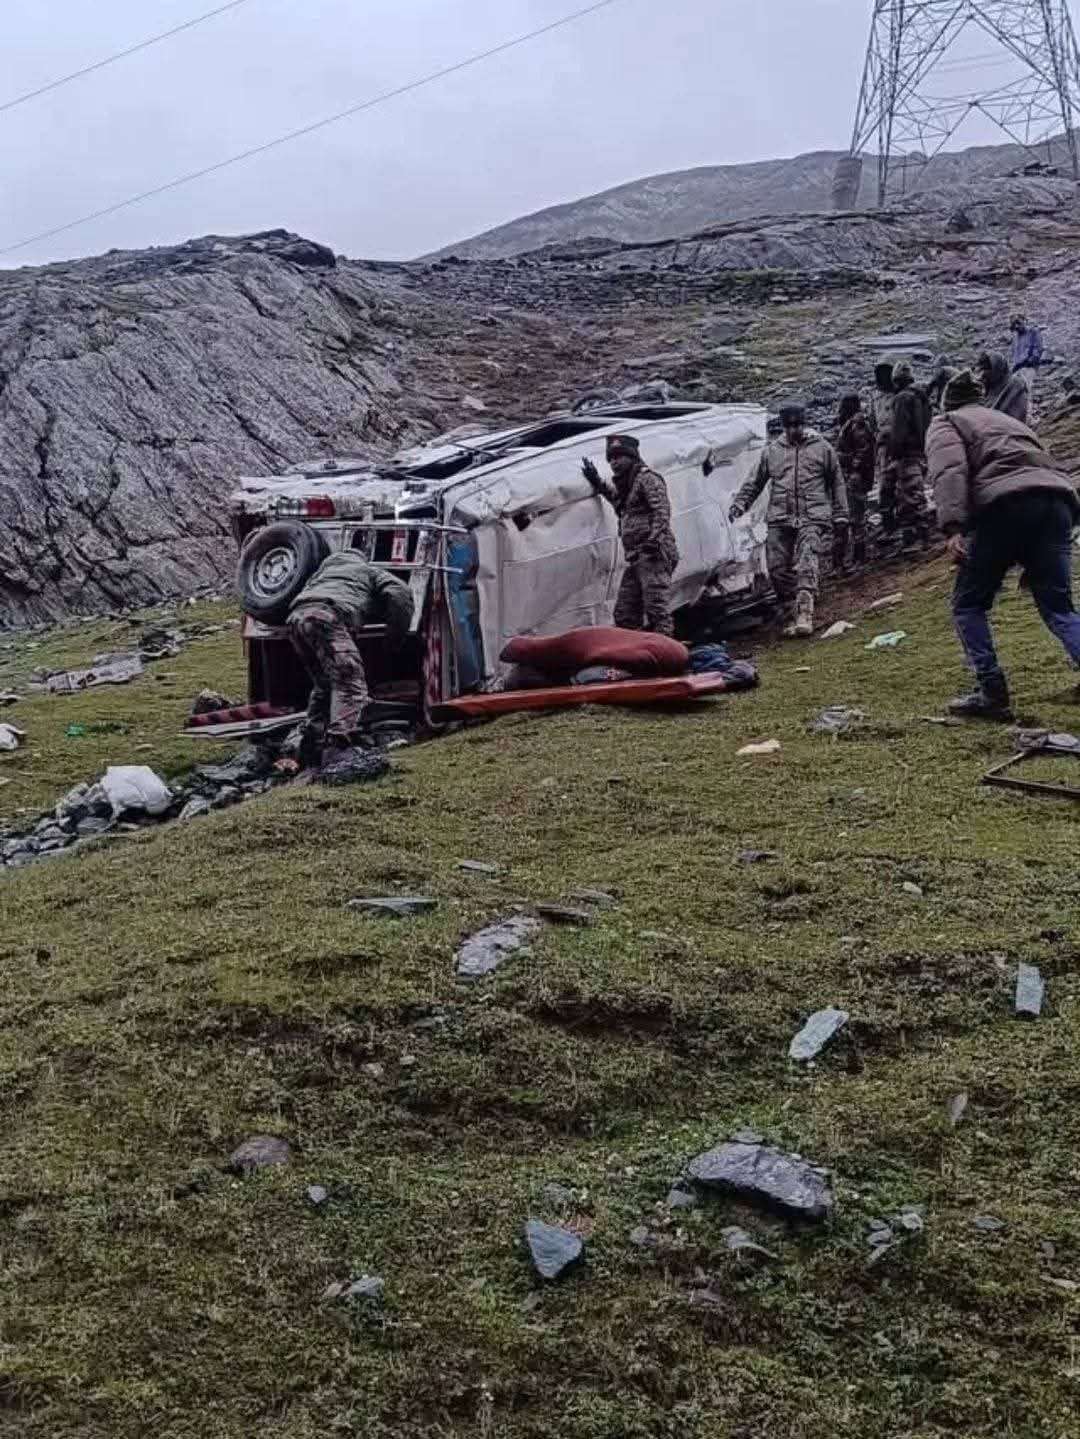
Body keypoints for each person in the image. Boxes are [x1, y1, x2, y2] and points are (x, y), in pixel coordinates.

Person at [927, 370, 1080, 719]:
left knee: (968, 604)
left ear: (946, 401)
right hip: (1059, 503)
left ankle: (992, 693)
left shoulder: (947, 422)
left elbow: (949, 471)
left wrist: (952, 527)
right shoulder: (1008, 421)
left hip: (1005, 505)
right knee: (1059, 608)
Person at [729, 402, 848, 637]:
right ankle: (791, 607)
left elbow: (837, 482)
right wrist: (740, 504)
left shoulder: (822, 448)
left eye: (798, 425)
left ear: (804, 423)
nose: (795, 430)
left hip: (813, 515)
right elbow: (755, 482)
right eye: (790, 426)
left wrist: (841, 513)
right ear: (784, 427)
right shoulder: (772, 452)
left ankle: (805, 612)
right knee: (776, 568)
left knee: (806, 561)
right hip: (780, 516)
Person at [287, 552, 413, 761]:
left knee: (324, 685)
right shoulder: (369, 571)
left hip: (295, 621)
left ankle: (310, 743)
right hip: (327, 617)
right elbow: (400, 594)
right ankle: (339, 747)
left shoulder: (321, 575)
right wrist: (394, 639)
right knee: (349, 683)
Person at [582, 434, 680, 636]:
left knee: (656, 608)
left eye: (619, 457)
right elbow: (619, 502)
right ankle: (635, 650)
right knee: (625, 613)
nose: (614, 463)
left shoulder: (647, 478)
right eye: (611, 459)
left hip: (654, 554)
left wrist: (653, 540)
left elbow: (661, 510)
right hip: (636, 556)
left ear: (632, 456)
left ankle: (665, 650)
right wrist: (597, 481)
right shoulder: (628, 484)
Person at [883, 360, 932, 548]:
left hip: (906, 454)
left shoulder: (902, 398)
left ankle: (915, 539)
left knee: (908, 496)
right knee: (915, 493)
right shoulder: (922, 396)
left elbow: (899, 430)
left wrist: (893, 452)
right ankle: (922, 537)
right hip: (921, 452)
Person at [834, 393, 875, 569]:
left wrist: (849, 464)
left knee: (856, 518)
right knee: (853, 517)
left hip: (854, 477)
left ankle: (860, 557)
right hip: (853, 475)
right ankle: (856, 556)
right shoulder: (853, 424)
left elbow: (863, 452)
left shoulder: (857, 425)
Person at [871, 360, 896, 527]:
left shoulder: (900, 396)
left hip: (899, 444)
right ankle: (887, 517)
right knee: (885, 480)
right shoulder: (876, 398)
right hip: (883, 445)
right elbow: (873, 422)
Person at [978, 350, 1030, 424]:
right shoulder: (989, 386)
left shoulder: (1014, 386)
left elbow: (1016, 418)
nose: (983, 373)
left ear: (998, 367)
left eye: (987, 369)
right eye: (982, 369)